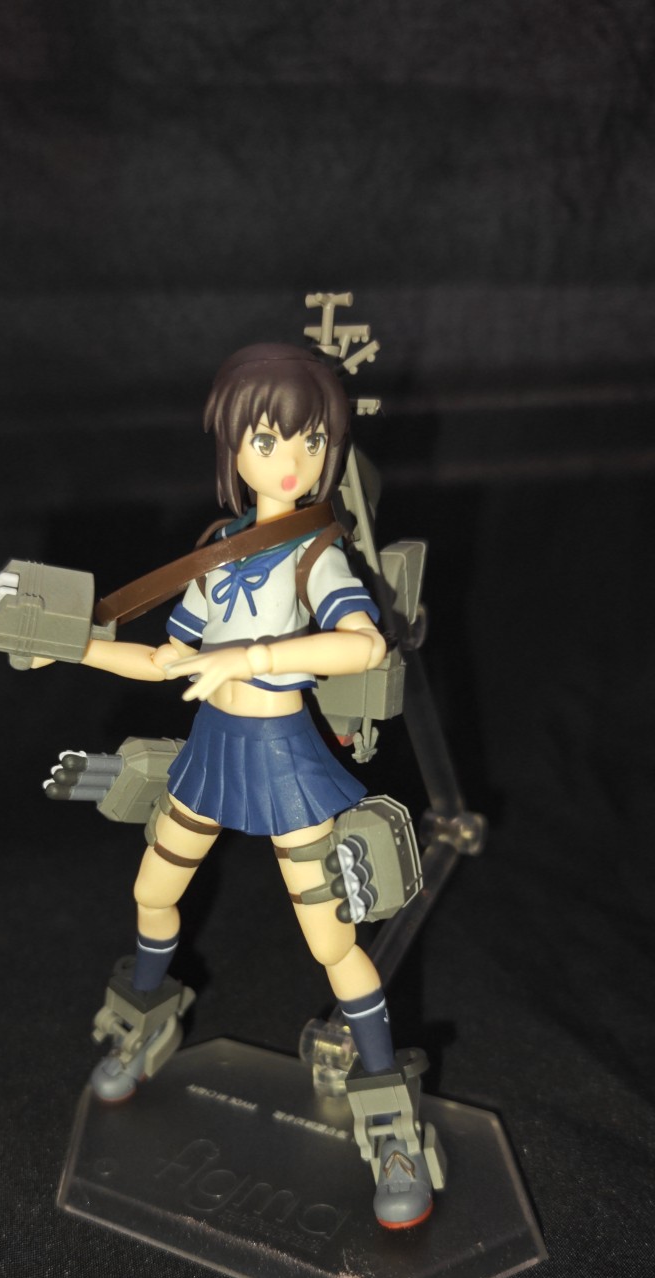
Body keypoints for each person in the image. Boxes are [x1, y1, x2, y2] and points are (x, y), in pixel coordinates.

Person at [71, 342, 432, 1229]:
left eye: (311, 440)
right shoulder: (222, 551)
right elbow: (165, 658)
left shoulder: (316, 555)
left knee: (332, 943)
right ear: (235, 447)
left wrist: (251, 657)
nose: (292, 460)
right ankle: (145, 1018)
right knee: (152, 892)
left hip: (283, 761)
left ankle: (389, 1116)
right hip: (211, 754)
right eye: (268, 441)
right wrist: (71, 647)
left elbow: (364, 645)